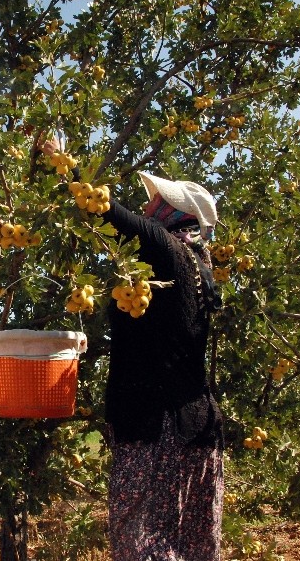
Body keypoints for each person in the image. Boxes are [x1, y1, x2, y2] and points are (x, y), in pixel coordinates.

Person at [41, 140, 224, 561]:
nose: (150, 207)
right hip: (197, 429)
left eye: (158, 201)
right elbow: (158, 337)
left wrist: (62, 164)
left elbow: (103, 209)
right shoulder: (193, 266)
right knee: (194, 548)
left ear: (175, 214)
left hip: (156, 430)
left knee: (140, 546)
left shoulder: (167, 250)